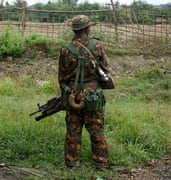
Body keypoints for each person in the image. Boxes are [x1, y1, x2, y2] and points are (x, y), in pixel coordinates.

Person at [58, 14, 112, 170]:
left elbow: (61, 78)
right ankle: (101, 163)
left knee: (73, 131)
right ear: (88, 29)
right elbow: (106, 70)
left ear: (74, 31)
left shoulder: (65, 49)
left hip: (72, 95)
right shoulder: (97, 46)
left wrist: (68, 92)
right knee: (97, 130)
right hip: (93, 96)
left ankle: (72, 163)